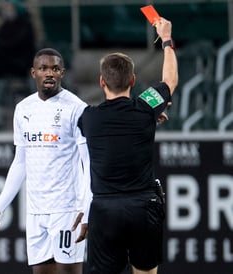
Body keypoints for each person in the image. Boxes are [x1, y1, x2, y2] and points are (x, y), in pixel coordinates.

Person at [0, 48, 91, 274]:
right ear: (33, 72)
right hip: (36, 209)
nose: (49, 73)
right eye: (43, 68)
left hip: (67, 209)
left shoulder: (76, 108)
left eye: (55, 69)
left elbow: (88, 164)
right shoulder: (23, 108)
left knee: (69, 272)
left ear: (62, 73)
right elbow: (20, 162)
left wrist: (85, 208)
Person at [78, 17, 178, 274]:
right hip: (143, 208)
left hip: (104, 210)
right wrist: (166, 39)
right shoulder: (146, 107)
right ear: (133, 81)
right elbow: (169, 82)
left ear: (102, 82)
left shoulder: (89, 117)